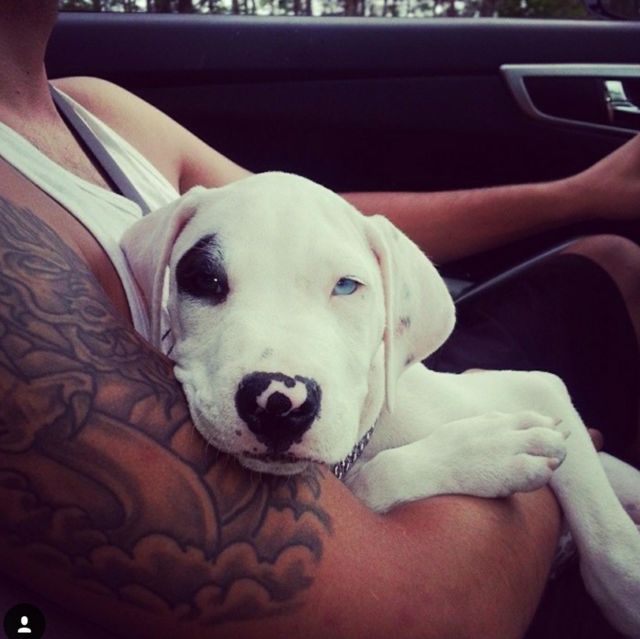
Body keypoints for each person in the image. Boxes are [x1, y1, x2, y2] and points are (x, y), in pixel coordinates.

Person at [0, 2, 638, 638]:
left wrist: (576, 195)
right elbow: (432, 611)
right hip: (450, 556)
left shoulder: (99, 110)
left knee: (610, 261)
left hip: (382, 414)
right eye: (208, 283)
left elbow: (310, 222)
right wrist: (544, 489)